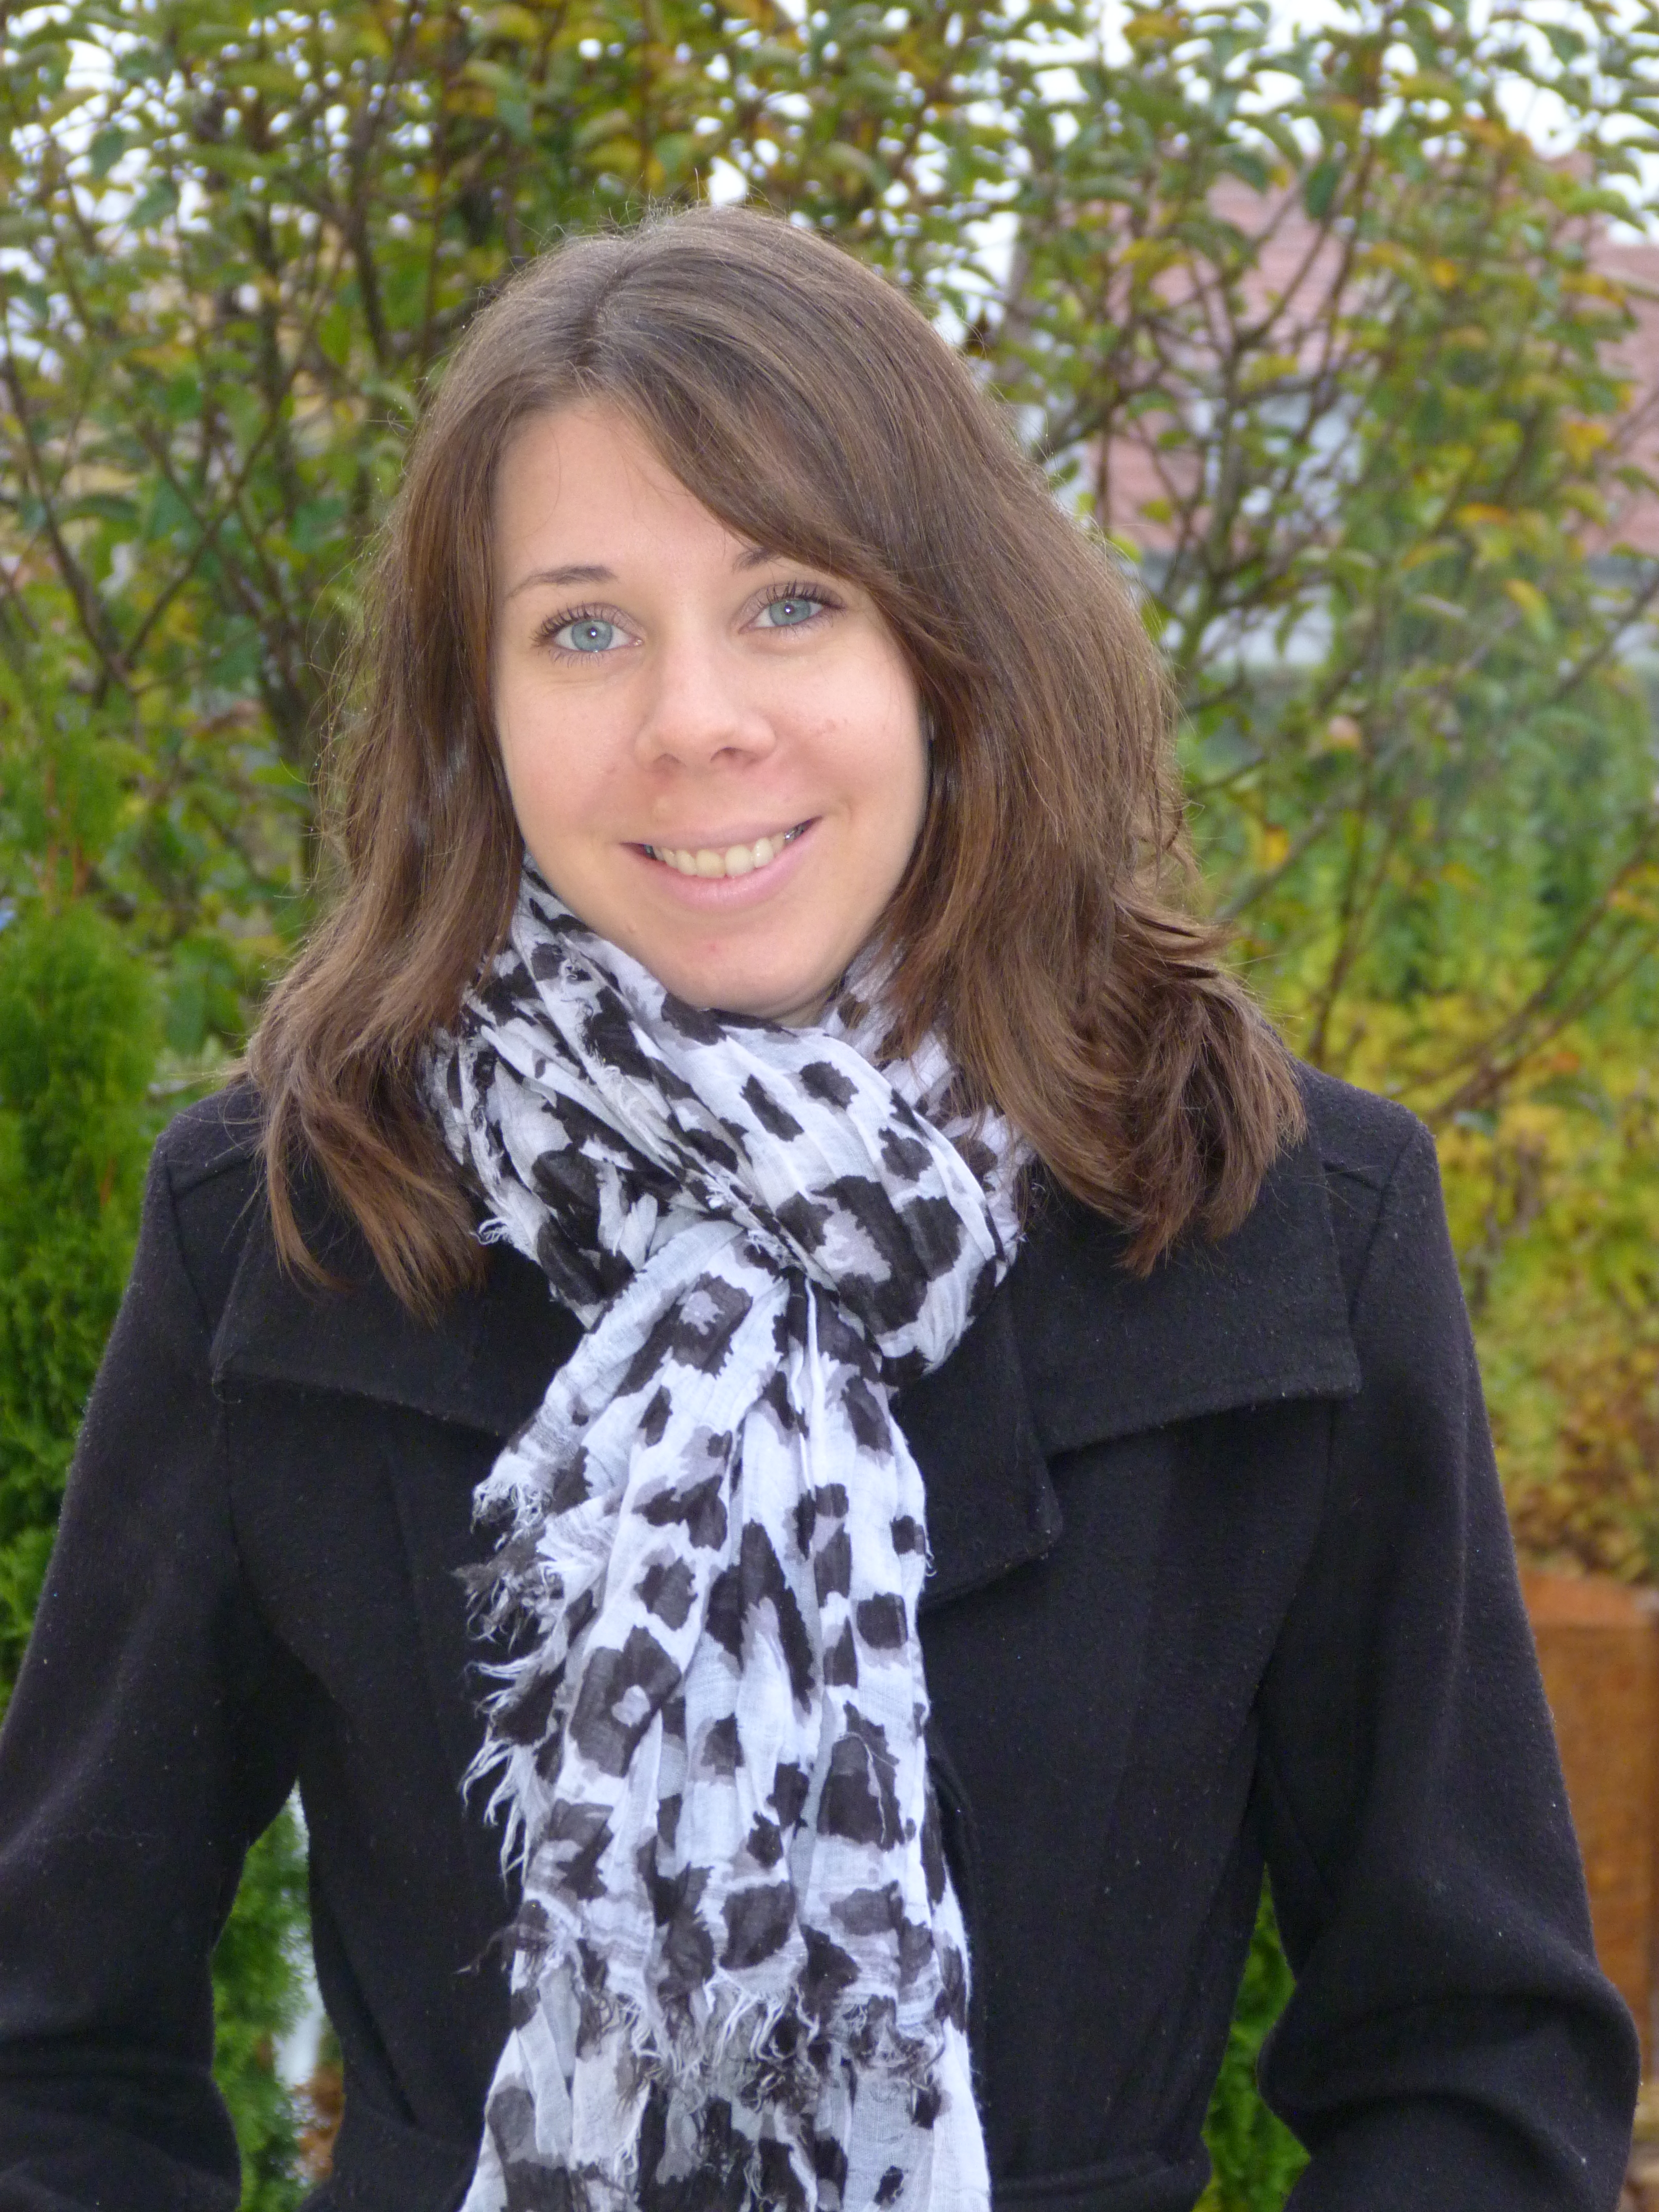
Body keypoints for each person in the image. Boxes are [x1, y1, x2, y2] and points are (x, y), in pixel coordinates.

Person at [0, 205, 1638, 2212]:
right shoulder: (296, 1225)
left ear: (950, 650)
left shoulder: (1282, 1223)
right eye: (583, 627)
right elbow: (48, 2053)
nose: (693, 718)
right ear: (473, 709)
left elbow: (1476, 2061)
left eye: (790, 602)